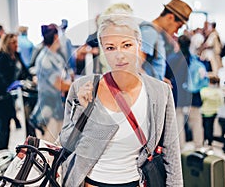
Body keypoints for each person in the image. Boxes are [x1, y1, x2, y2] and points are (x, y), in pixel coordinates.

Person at [60, 14, 182, 186]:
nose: (119, 55)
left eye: (127, 45)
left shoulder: (160, 92)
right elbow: (67, 143)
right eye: (110, 48)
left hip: (135, 181)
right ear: (102, 50)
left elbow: (171, 154)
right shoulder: (84, 88)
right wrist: (83, 110)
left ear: (139, 45)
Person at [29, 24, 72, 143]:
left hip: (58, 108)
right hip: (49, 110)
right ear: (55, 37)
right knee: (49, 146)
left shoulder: (55, 56)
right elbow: (59, 85)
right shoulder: (45, 59)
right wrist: (75, 86)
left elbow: (65, 76)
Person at [0, 33, 31, 151]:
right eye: (13, 42)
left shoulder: (16, 55)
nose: (16, 44)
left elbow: (24, 70)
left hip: (11, 94)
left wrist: (28, 78)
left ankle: (2, 148)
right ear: (7, 43)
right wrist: (8, 86)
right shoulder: (1, 57)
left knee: (7, 123)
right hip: (0, 95)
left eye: (16, 42)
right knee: (4, 124)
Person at [140, 0, 192, 82]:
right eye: (178, 27)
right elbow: (136, 67)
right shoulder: (149, 32)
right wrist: (155, 84)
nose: (176, 32)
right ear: (170, 17)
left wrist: (160, 79)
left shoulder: (157, 34)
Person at [200, 76, 224, 147]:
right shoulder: (219, 92)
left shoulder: (204, 90)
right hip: (214, 112)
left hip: (204, 112)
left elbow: (201, 99)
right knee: (210, 127)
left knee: (204, 127)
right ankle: (210, 142)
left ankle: (204, 140)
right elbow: (221, 103)